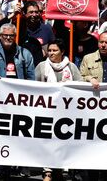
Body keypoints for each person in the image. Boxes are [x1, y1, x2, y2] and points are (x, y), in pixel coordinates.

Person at [0, 22, 35, 181]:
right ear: (0, 36)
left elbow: (31, 79)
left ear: (15, 37)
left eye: (11, 36)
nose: (8, 38)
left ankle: (18, 166)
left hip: (19, 102)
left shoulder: (25, 54)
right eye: (5, 36)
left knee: (19, 135)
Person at [34, 39, 82, 181]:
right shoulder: (42, 67)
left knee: (62, 141)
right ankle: (47, 171)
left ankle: (58, 170)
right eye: (49, 50)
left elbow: (80, 85)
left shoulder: (72, 67)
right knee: (48, 141)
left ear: (62, 52)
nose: (51, 53)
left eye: (55, 50)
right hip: (48, 111)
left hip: (66, 112)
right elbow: (33, 87)